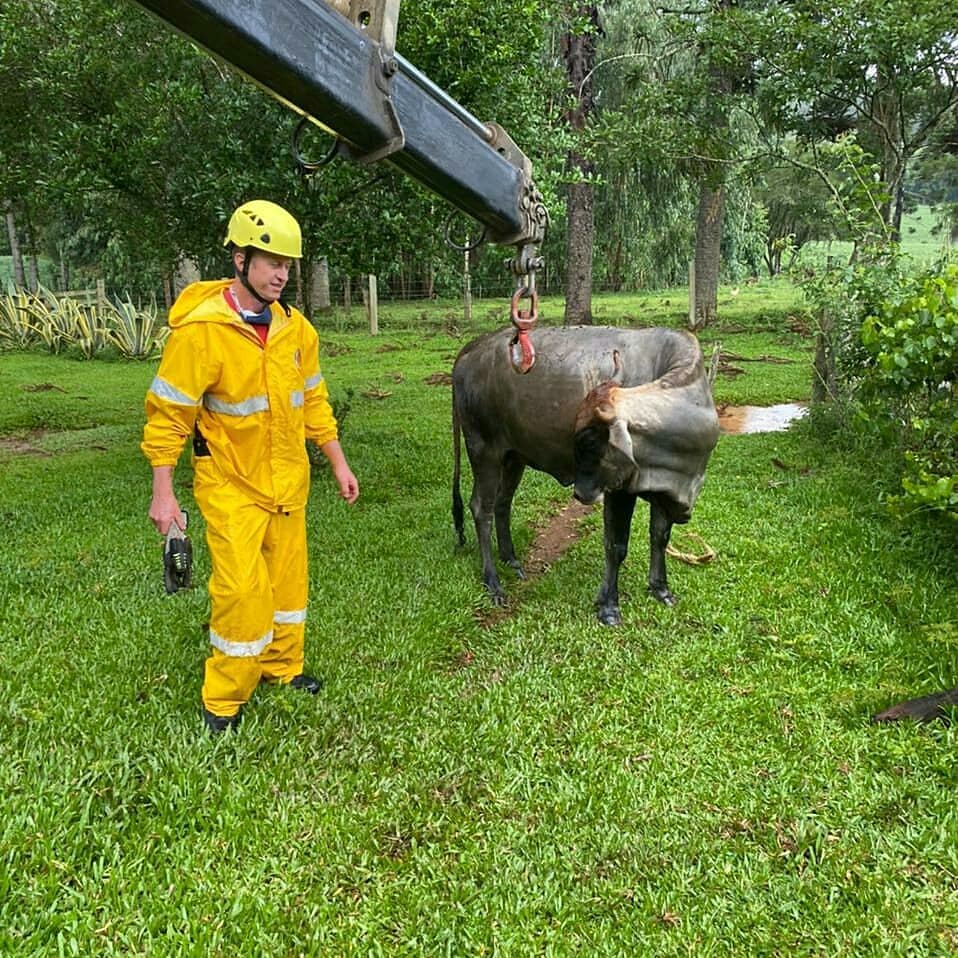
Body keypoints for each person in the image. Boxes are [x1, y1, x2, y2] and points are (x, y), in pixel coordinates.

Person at [142, 199, 359, 734]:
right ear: (240, 260)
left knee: (287, 588)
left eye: (288, 264)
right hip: (232, 486)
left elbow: (314, 401)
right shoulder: (202, 332)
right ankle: (223, 700)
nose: (282, 274)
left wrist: (338, 462)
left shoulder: (296, 332)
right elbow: (170, 415)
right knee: (242, 592)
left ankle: (282, 670)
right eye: (270, 262)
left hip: (289, 482)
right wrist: (163, 492)